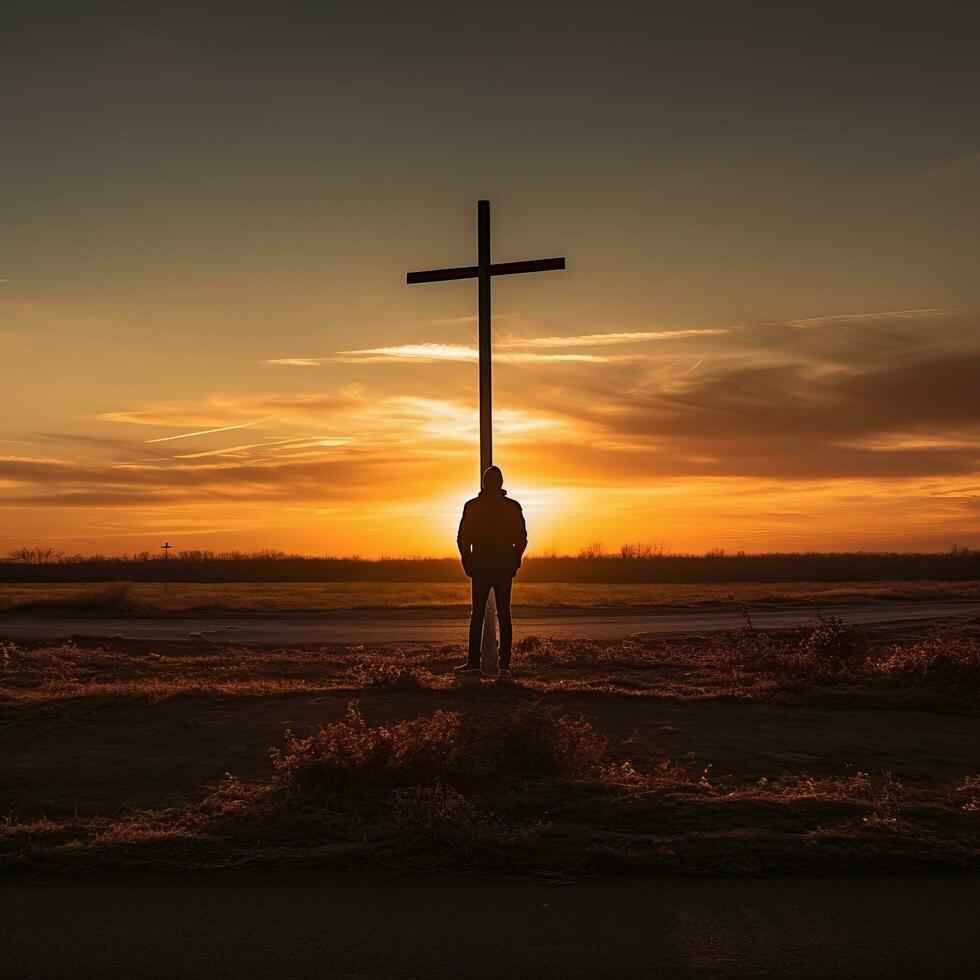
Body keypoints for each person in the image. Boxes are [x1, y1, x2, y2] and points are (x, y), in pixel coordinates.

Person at [454, 466, 527, 678]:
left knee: (479, 615)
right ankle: (502, 666)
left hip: (486, 567)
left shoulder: (475, 506)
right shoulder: (509, 507)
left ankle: (477, 664)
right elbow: (521, 539)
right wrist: (514, 561)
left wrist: (467, 561)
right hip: (496, 567)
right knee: (502, 615)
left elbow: (462, 538)